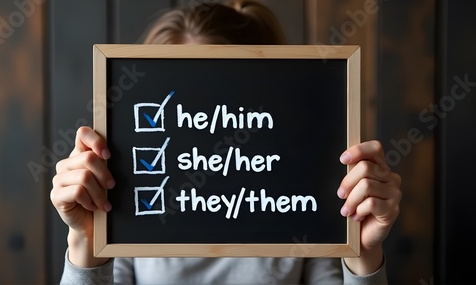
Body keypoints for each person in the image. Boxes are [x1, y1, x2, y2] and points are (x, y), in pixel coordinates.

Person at [51, 1, 402, 284]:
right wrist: (86, 242)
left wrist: (364, 254)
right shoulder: (138, 199)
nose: (201, 125)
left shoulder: (301, 201)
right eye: (180, 103)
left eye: (216, 101)